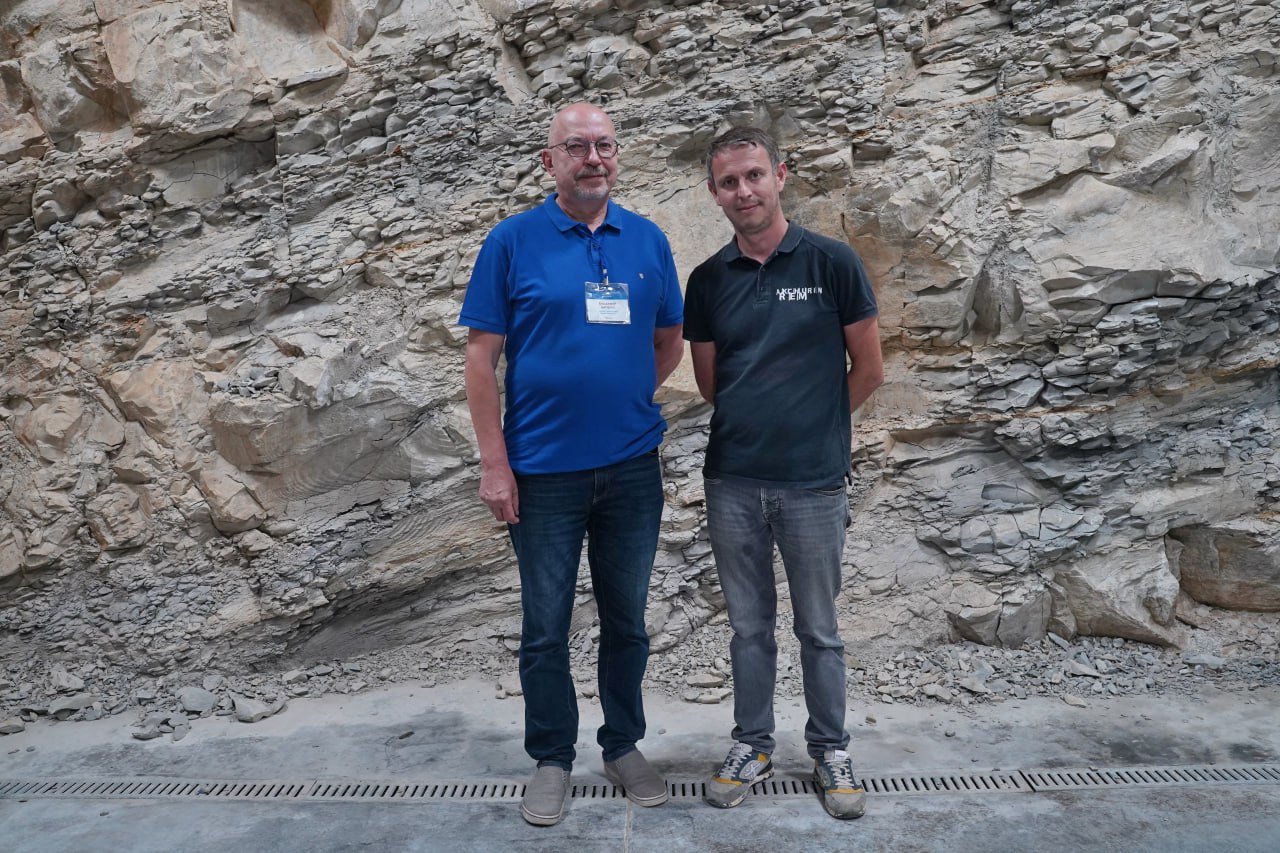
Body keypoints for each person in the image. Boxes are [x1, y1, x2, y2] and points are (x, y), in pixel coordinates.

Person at [459, 102, 684, 827]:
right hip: (542, 473)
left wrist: (622, 399)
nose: (594, 157)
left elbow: (669, 340)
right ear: (549, 160)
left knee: (628, 620)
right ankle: (553, 757)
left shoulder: (646, 239)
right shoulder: (512, 241)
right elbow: (480, 361)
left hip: (632, 469)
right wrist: (495, 465)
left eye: (605, 145)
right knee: (545, 626)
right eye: (577, 146)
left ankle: (622, 745)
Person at [682, 126, 884, 820]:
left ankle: (830, 748)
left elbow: (869, 369)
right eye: (729, 182)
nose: (744, 191)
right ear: (715, 194)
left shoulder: (833, 263)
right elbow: (711, 384)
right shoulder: (707, 281)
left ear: (780, 175)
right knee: (748, 627)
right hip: (732, 480)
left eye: (754, 175)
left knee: (819, 628)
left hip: (813, 483)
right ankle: (752, 743)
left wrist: (814, 427)